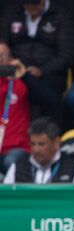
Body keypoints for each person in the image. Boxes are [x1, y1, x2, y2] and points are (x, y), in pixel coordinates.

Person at [0, 0, 74, 124]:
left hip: (49, 74)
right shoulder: (12, 12)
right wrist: (6, 57)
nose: (30, 6)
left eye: (35, 3)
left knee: (49, 97)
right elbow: (2, 42)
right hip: (14, 69)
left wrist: (42, 70)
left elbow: (67, 56)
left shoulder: (61, 14)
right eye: (27, 3)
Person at [3, 116, 74, 184]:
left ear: (56, 143)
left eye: (41, 144)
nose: (36, 150)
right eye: (33, 144)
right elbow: (6, 199)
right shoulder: (17, 167)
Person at [0, 43, 30, 176]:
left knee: (11, 163)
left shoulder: (21, 84)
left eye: (2, 56)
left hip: (15, 149)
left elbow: (48, 99)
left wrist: (25, 76)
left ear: (11, 59)